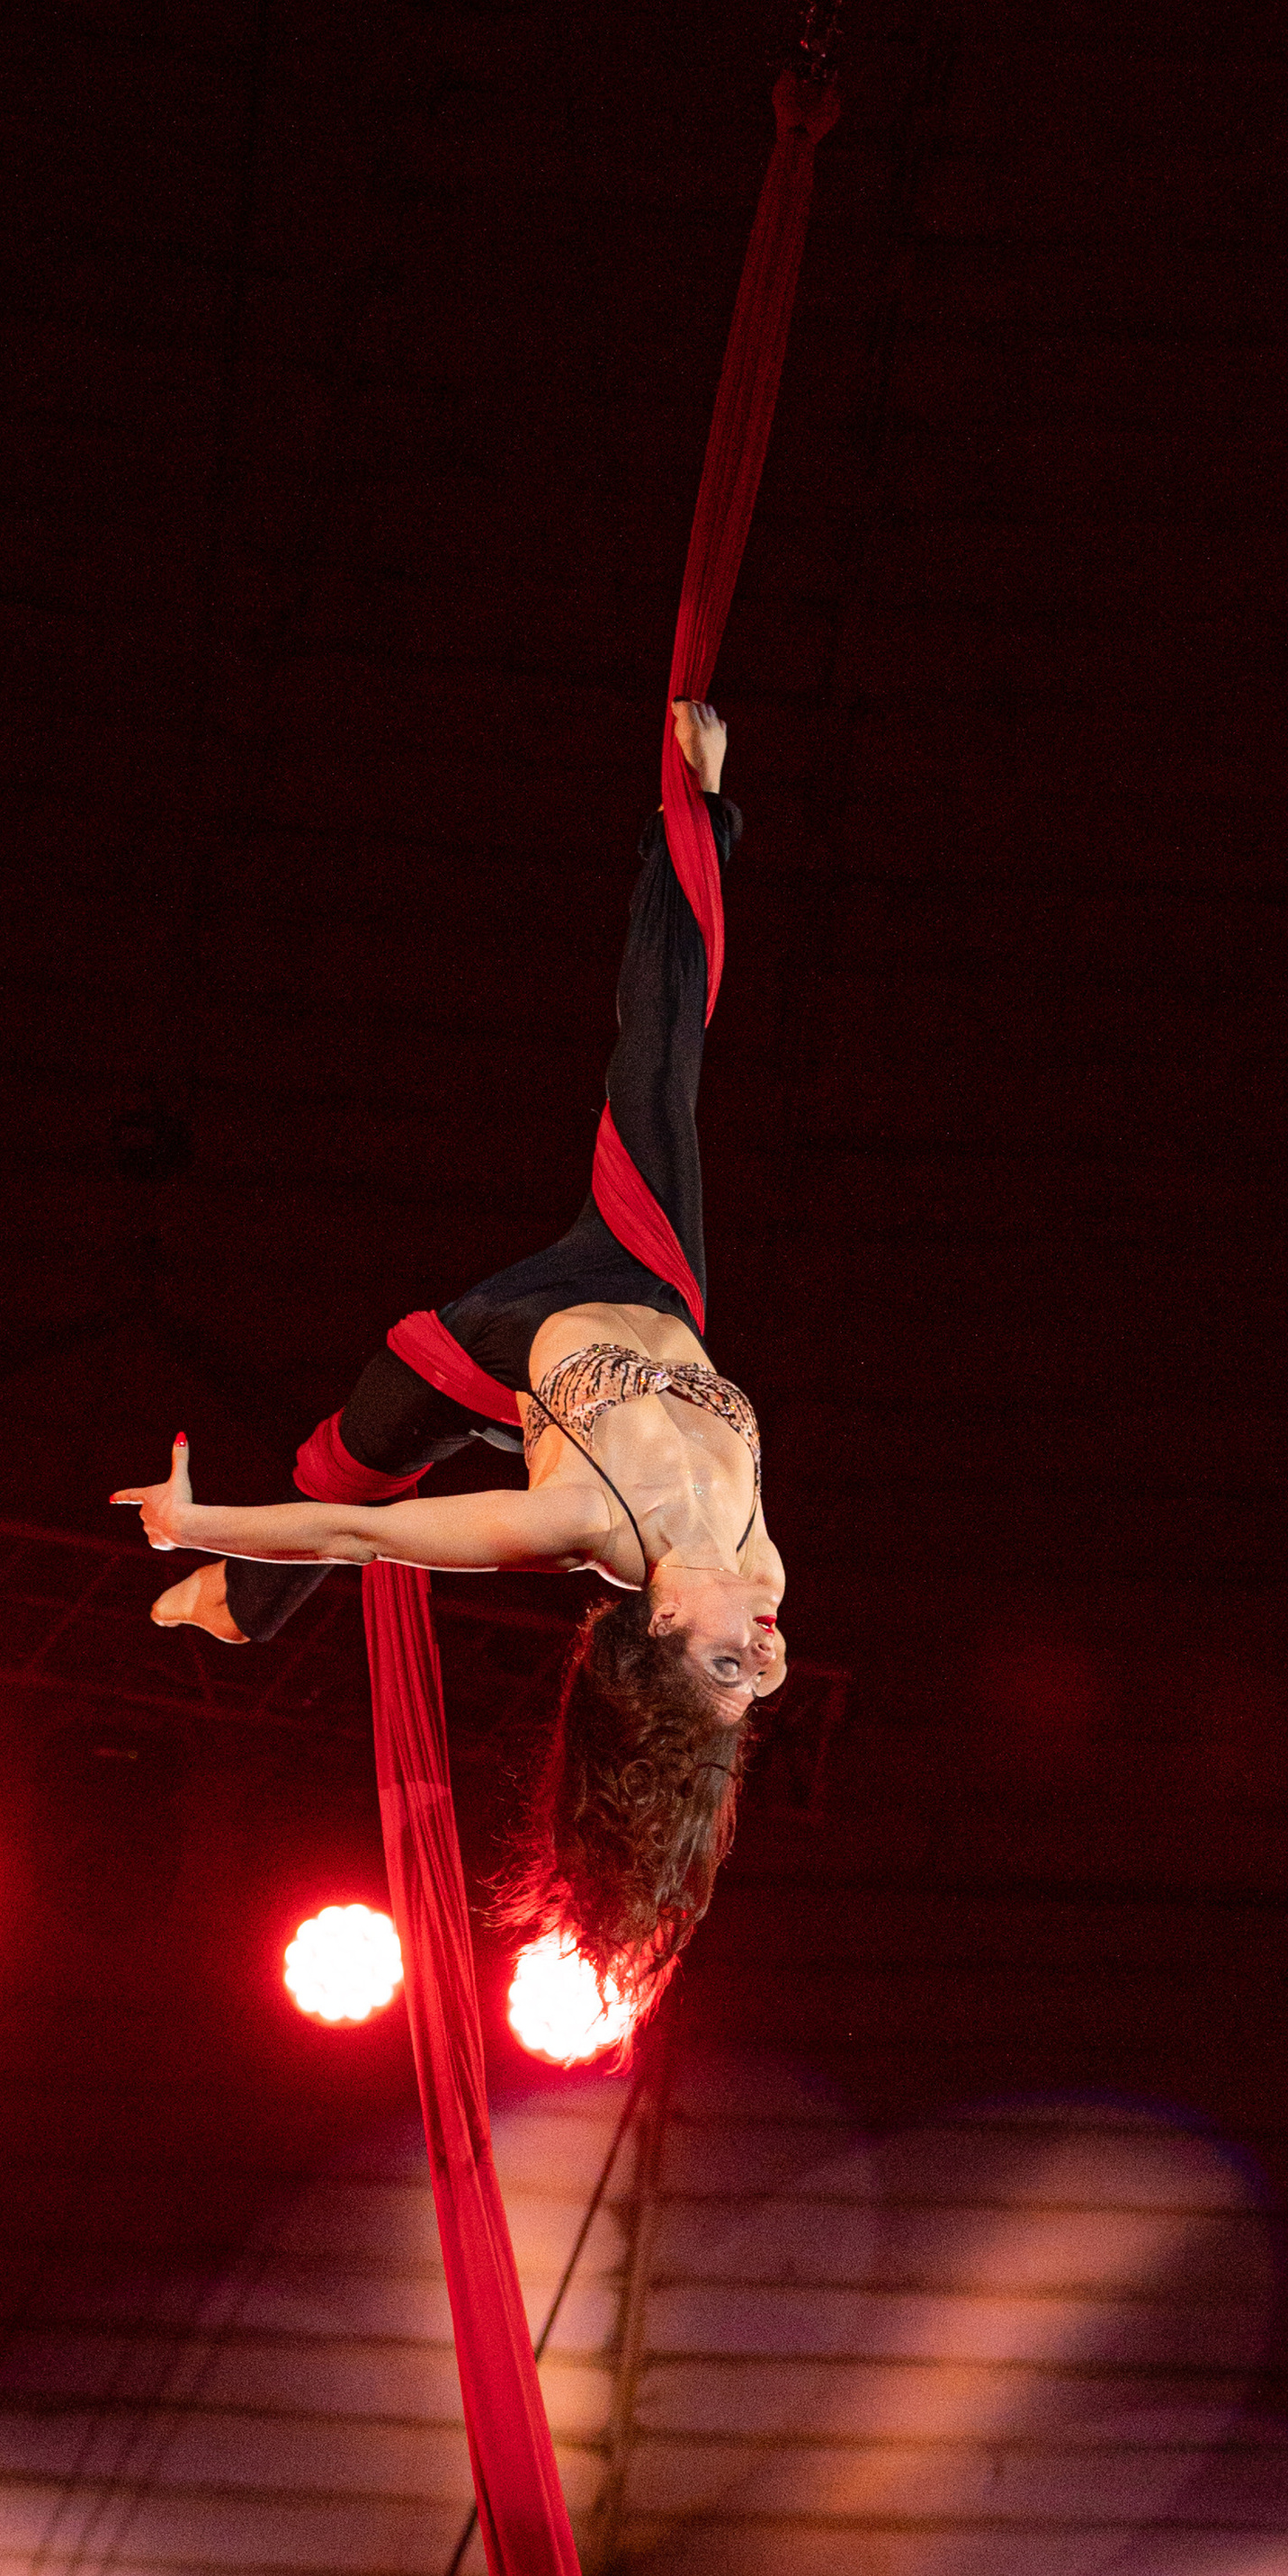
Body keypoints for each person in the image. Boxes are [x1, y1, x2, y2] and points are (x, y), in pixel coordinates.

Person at [112, 698, 783, 2015]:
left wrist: (210, 1525)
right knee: (660, 1063)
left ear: (657, 1621)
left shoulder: (585, 1522)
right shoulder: (761, 1566)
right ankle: (699, 816)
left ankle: (238, 1607)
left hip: (496, 1341)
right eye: (756, 1684)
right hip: (649, 1280)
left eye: (724, 1663)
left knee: (354, 1472)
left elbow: (364, 1546)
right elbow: (717, 1681)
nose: (762, 1657)